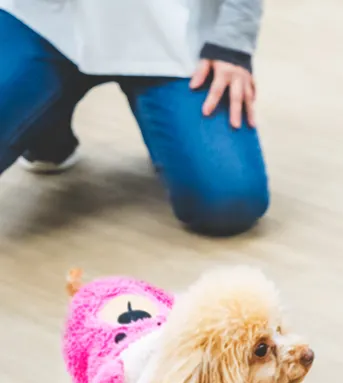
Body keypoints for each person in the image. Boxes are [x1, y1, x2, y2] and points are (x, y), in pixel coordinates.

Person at [0, 0, 269, 237]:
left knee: (227, 201)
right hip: (47, 24)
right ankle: (46, 131)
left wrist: (232, 42)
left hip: (175, 38)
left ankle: (176, 135)